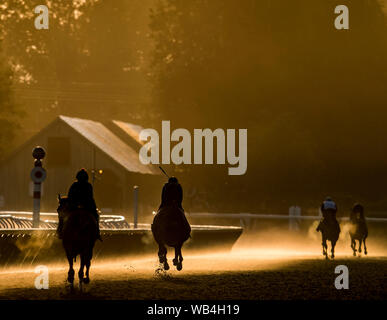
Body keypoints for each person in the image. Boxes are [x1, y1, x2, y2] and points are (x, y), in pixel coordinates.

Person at [57, 169, 101, 240]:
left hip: (74, 207)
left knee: (63, 217)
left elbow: (70, 197)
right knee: (96, 216)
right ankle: (97, 233)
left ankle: (60, 231)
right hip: (87, 207)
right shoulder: (88, 185)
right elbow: (90, 198)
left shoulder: (74, 185)